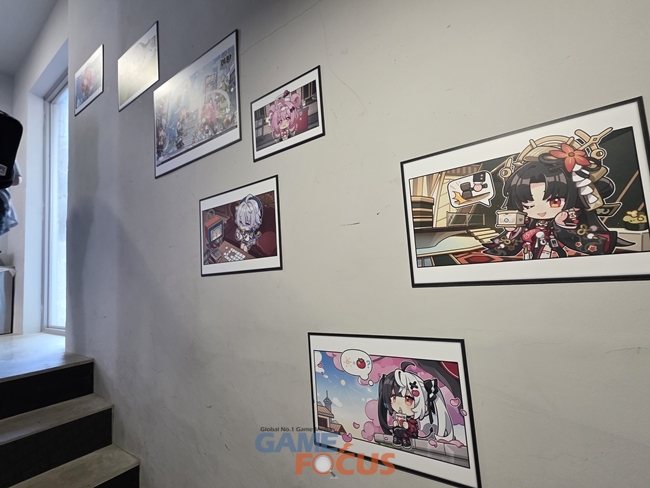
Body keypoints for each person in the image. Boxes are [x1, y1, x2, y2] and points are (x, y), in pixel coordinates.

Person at [483, 141, 632, 259]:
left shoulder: (570, 216)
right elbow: (515, 243)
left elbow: (583, 239)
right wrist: (514, 231)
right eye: (527, 205)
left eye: (554, 202)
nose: (540, 211)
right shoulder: (527, 221)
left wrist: (561, 225)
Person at [378, 362, 453, 449]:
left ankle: (405, 441)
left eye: (408, 399)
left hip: (410, 436)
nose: (399, 405)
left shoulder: (412, 420)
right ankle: (397, 439)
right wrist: (397, 424)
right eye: (394, 398)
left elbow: (413, 428)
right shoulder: (398, 415)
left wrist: (407, 425)